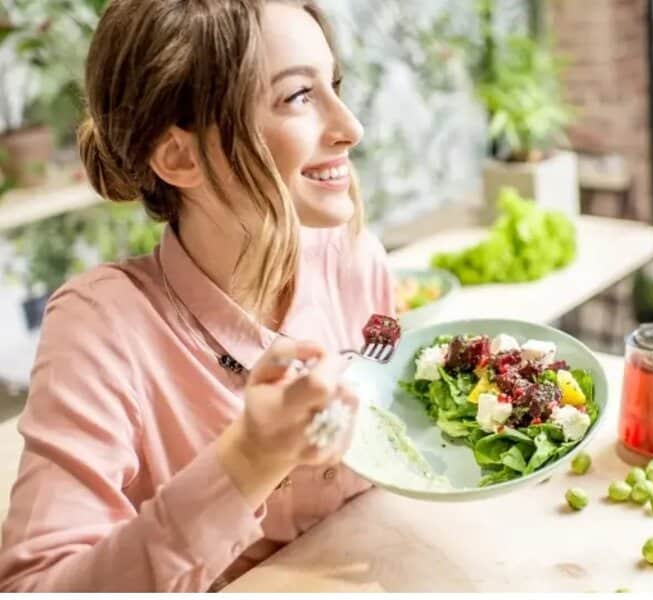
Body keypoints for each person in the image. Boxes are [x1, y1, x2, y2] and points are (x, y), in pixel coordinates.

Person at [0, 0, 394, 592]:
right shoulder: (101, 328)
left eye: (332, 86)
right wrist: (249, 460)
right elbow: (33, 587)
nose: (351, 127)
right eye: (297, 96)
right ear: (180, 156)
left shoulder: (356, 259)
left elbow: (392, 412)